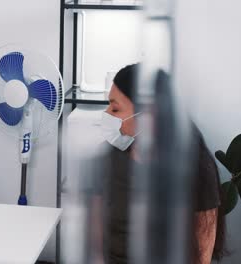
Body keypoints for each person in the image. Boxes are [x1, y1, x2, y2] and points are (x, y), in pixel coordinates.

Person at [96, 64, 227, 263]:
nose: (107, 114)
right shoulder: (109, 158)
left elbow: (200, 257)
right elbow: (94, 242)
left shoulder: (195, 169)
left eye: (115, 108)